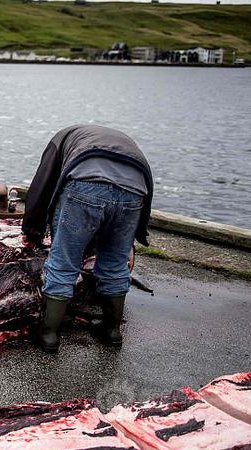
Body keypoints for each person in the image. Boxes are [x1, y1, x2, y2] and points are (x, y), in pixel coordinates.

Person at [21, 124, 153, 353]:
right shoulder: (114, 138)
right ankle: (111, 331)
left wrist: (32, 230)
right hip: (136, 190)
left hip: (87, 184)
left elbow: (42, 187)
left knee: (64, 262)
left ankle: (49, 335)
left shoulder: (60, 139)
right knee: (114, 263)